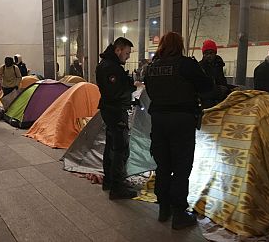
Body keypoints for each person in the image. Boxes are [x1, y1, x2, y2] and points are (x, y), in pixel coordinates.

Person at [144, 32, 213, 230]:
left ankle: (163, 208)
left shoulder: (151, 67)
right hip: (182, 121)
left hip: (158, 121)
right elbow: (206, 87)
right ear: (179, 45)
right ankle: (179, 213)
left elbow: (150, 92)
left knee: (163, 166)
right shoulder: (186, 64)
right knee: (181, 168)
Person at [96, 37, 141, 200]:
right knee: (120, 148)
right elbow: (115, 92)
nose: (128, 56)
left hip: (111, 110)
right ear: (118, 50)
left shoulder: (108, 64)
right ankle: (117, 186)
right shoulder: (111, 67)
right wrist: (130, 87)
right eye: (127, 53)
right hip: (115, 111)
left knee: (111, 146)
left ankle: (110, 181)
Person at [199, 39, 231, 108]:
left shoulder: (218, 66)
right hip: (207, 101)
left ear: (215, 53)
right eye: (206, 53)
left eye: (211, 53)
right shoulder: (200, 68)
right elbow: (202, 89)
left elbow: (222, 83)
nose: (208, 56)